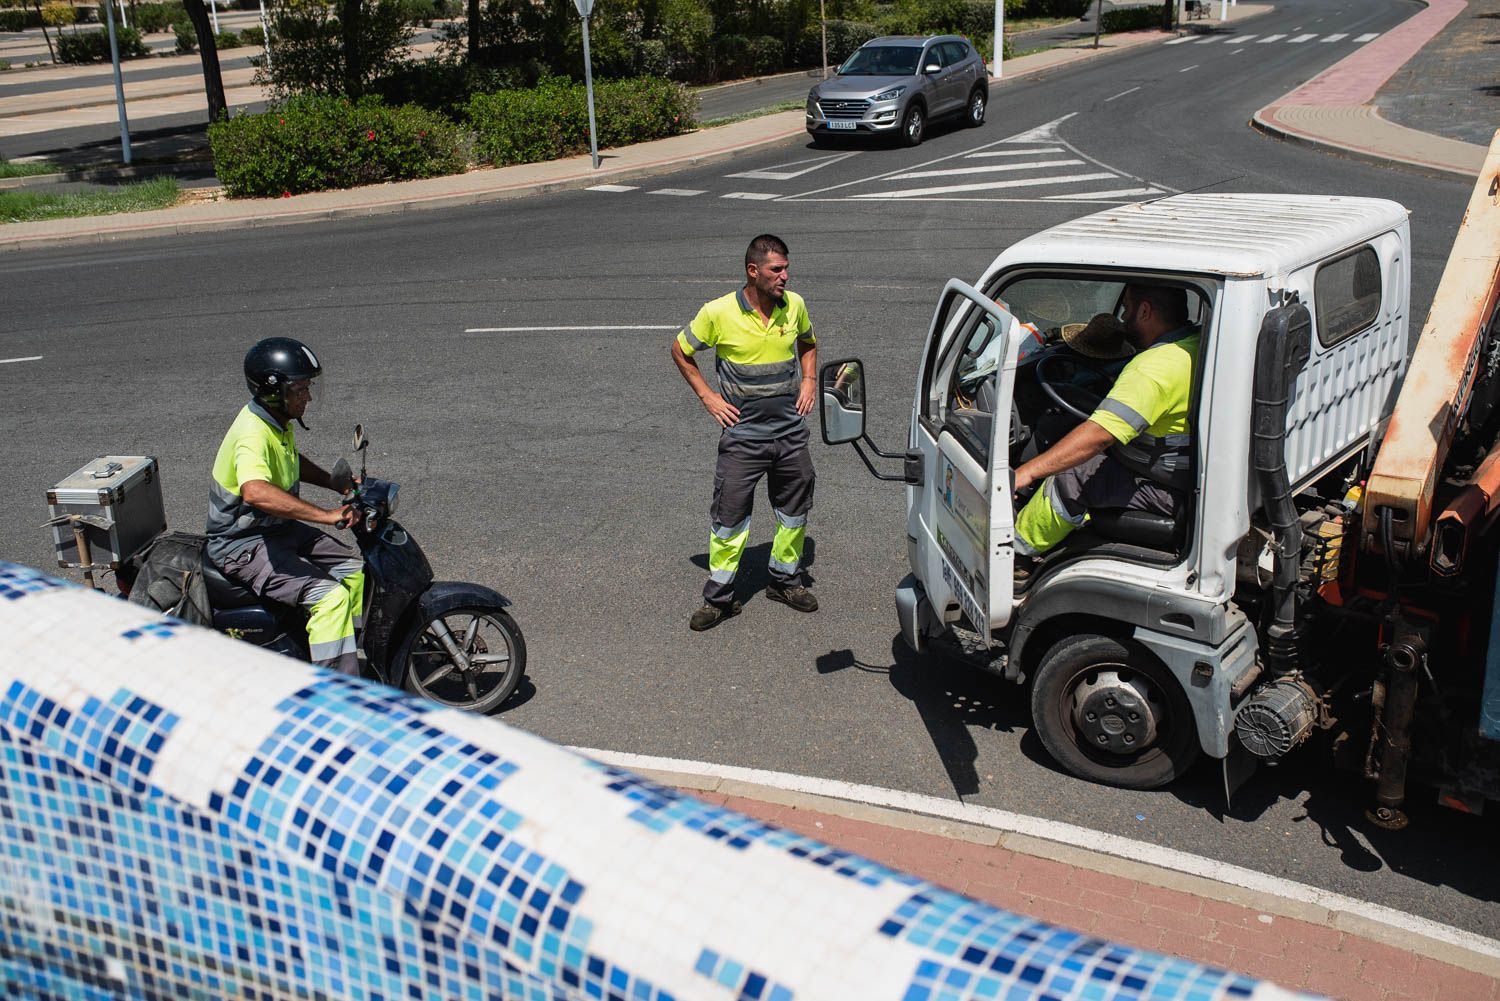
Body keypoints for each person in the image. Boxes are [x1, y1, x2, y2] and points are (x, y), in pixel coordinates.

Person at [672, 234, 819, 632]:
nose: (785, 276)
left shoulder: (796, 307)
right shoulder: (718, 312)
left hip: (790, 434)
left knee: (794, 512)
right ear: (753, 272)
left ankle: (784, 580)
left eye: (786, 268)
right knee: (729, 518)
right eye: (776, 270)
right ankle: (719, 598)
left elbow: (808, 342)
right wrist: (708, 397)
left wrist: (809, 380)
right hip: (743, 436)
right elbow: (680, 350)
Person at [1011, 284, 1199, 585]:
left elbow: (1098, 434)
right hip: (1181, 473)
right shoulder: (1194, 344)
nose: (1123, 318)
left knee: (1073, 475)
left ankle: (1015, 555)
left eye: (1126, 309)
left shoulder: (1152, 370)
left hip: (1166, 487)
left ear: (1146, 311)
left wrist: (1025, 473)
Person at [205, 337, 364, 674]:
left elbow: (290, 460)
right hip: (241, 544)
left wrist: (334, 483)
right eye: (300, 389)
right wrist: (326, 515)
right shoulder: (253, 432)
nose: (307, 396)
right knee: (330, 598)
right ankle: (338, 693)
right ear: (274, 390)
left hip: (272, 529)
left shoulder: (275, 421)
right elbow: (256, 492)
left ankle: (357, 649)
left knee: (356, 574)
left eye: (308, 387)